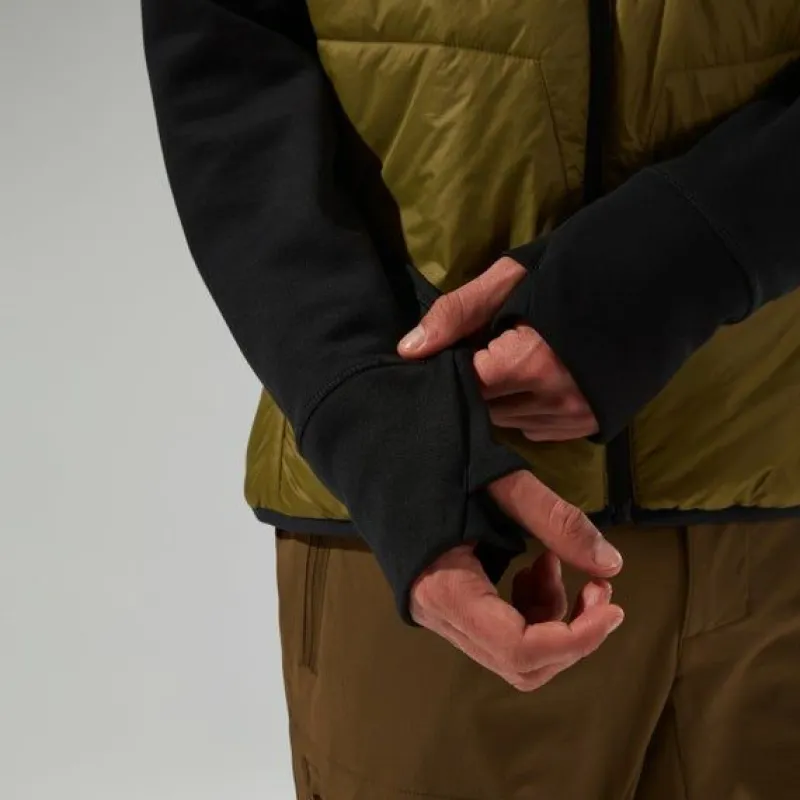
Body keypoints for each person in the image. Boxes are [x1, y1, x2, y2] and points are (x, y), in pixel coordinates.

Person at [141, 0, 800, 797]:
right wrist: (384, 434)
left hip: (778, 493)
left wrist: (668, 264)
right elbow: (224, 51)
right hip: (441, 513)